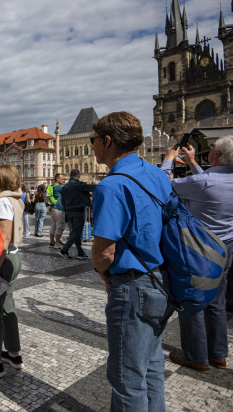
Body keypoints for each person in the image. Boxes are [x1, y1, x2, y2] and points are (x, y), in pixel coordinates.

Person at [90, 112, 173, 411]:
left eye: (94, 140)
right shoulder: (156, 174)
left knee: (127, 379)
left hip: (133, 286)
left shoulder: (111, 186)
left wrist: (104, 275)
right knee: (152, 368)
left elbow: (104, 253)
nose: (92, 146)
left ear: (108, 141)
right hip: (162, 280)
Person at [162, 135, 233, 372]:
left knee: (192, 297)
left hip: (200, 247)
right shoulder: (211, 181)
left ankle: (197, 356)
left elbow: (163, 185)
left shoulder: (204, 183)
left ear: (216, 155)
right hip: (227, 247)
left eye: (212, 148)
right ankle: (218, 354)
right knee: (217, 299)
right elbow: (207, 182)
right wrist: (192, 162)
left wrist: (169, 159)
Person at [0, 164, 24, 377]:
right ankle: (14, 353)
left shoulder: (1, 201)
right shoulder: (16, 198)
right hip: (14, 257)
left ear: (2, 179)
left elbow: (4, 238)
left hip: (3, 258)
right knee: (8, 305)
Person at [58, 169, 95, 260]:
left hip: (69, 211)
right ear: (78, 176)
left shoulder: (65, 187)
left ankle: (80, 252)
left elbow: (62, 201)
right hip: (78, 210)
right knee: (77, 232)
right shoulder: (80, 185)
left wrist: (66, 210)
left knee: (75, 231)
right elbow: (92, 188)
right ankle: (64, 250)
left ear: (70, 175)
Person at [47, 174, 66, 248]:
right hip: (59, 208)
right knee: (60, 226)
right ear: (58, 179)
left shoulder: (51, 186)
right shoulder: (60, 187)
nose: (63, 180)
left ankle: (51, 241)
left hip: (53, 208)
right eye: (62, 179)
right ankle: (57, 243)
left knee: (53, 226)